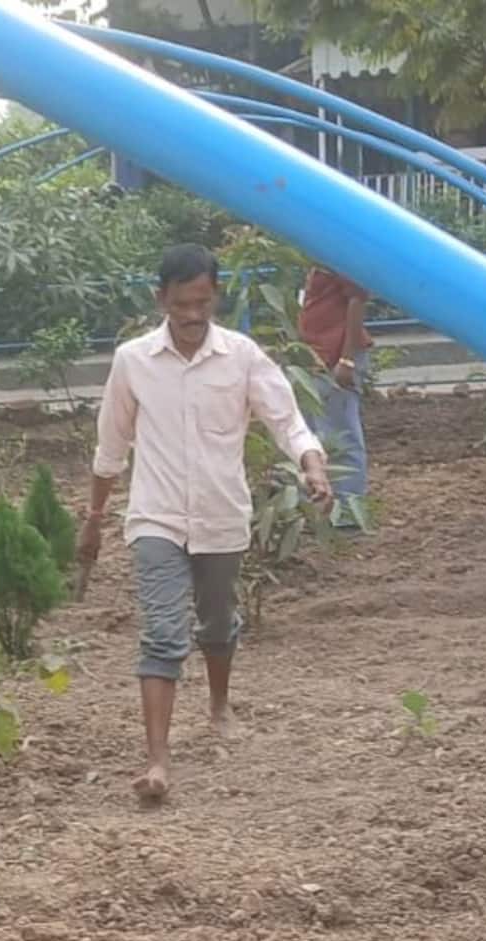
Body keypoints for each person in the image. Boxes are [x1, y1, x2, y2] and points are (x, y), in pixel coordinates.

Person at [78, 243, 331, 806]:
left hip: (221, 518)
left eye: (204, 303)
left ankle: (219, 704)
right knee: (164, 632)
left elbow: (286, 420)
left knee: (217, 623)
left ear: (216, 297)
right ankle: (158, 760)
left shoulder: (241, 357)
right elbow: (111, 446)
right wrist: (94, 517)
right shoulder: (133, 361)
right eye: (182, 304)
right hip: (155, 518)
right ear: (160, 299)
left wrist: (312, 465)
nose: (193, 315)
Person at [298, 265, 371, 527]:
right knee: (316, 431)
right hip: (317, 357)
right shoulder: (320, 254)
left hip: (333, 358)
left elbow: (357, 298)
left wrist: (347, 359)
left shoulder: (338, 253)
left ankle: (349, 513)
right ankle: (325, 509)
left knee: (340, 433)